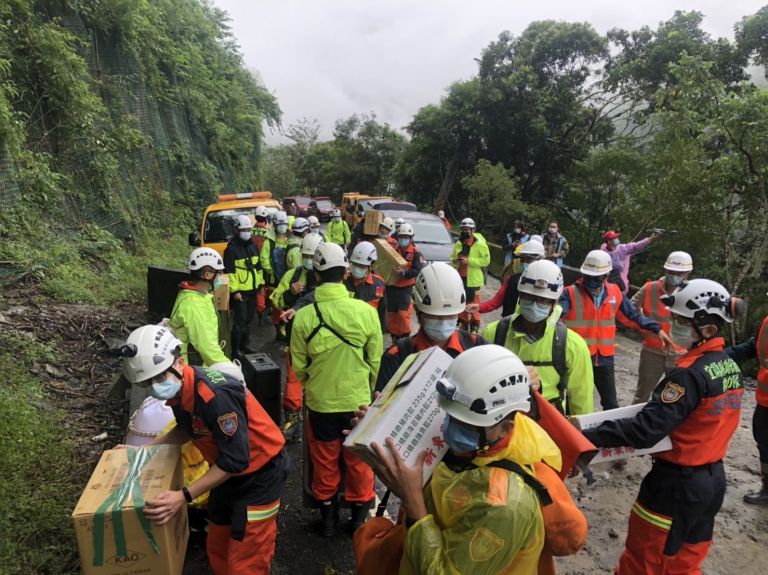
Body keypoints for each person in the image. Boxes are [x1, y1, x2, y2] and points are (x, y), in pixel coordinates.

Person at [366, 344, 581, 574]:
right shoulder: (476, 449)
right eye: (449, 415)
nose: (449, 427)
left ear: (505, 428)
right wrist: (377, 433)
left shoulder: (505, 505)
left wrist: (414, 504)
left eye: (466, 424)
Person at [581, 279, 744, 574]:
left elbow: (645, 430)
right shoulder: (730, 367)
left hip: (674, 487)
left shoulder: (688, 376)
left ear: (708, 329)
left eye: (682, 321)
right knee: (684, 563)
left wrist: (583, 436)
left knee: (642, 563)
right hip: (711, 483)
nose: (673, 326)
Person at [121, 325, 289, 574]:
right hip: (224, 472)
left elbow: (236, 461)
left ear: (178, 363)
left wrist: (183, 496)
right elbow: (186, 429)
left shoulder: (215, 397)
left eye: (159, 378)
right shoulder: (181, 392)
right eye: (148, 382)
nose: (155, 386)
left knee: (247, 558)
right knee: (218, 541)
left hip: (259, 476)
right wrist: (143, 449)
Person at [290, 243, 383, 536]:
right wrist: (368, 392)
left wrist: (314, 384)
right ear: (345, 273)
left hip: (321, 404)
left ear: (316, 275)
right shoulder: (366, 313)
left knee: (325, 461)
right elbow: (376, 360)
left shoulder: (304, 317)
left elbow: (298, 365)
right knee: (358, 462)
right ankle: (358, 522)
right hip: (359, 404)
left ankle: (328, 521)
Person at [559, 250, 671, 410]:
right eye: (588, 276)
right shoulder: (569, 293)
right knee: (575, 401)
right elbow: (557, 316)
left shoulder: (614, 292)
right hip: (579, 357)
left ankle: (608, 432)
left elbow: (633, 315)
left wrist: (657, 329)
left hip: (605, 358)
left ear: (606, 276)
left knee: (611, 404)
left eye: (595, 278)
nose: (590, 281)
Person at [482, 260, 594, 415]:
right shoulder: (493, 333)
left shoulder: (572, 345)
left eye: (542, 300)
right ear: (520, 295)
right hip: (499, 421)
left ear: (554, 302)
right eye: (529, 297)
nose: (534, 304)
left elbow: (582, 403)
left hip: (546, 426)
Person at [376, 262, 486, 390]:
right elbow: (383, 405)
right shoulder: (397, 357)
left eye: (450, 315)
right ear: (418, 312)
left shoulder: (477, 347)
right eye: (435, 315)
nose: (443, 321)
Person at [270, 233, 325, 440]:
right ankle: (292, 420)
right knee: (293, 380)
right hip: (297, 338)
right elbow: (276, 300)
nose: (309, 261)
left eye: (313, 256)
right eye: (306, 256)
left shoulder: (330, 278)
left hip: (324, 340)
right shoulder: (293, 275)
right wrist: (290, 294)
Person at [630, 251, 693, 404]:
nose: (675, 275)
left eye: (680, 273)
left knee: (674, 400)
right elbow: (630, 307)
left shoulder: (693, 293)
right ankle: (634, 424)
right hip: (652, 352)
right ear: (665, 270)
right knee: (641, 396)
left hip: (680, 355)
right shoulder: (650, 288)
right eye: (671, 271)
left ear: (687, 273)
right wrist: (642, 325)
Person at [726, 303, 768, 504]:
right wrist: (720, 355)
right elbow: (753, 346)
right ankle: (767, 488)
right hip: (765, 399)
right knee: (764, 440)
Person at [170, 248, 229, 367]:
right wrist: (230, 369)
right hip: (196, 368)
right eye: (219, 273)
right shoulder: (196, 305)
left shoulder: (193, 294)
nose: (221, 277)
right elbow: (207, 348)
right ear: (207, 275)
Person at [467, 239, 545, 318]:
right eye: (523, 259)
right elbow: (495, 303)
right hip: (510, 324)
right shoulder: (511, 280)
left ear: (540, 260)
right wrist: (479, 307)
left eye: (530, 259)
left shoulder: (548, 285)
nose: (525, 262)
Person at [224, 215, 263, 355]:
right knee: (239, 323)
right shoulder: (231, 249)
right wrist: (235, 292)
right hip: (240, 292)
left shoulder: (252, 245)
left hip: (252, 290)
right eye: (243, 229)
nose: (246, 232)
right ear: (236, 230)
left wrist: (260, 285)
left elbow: (258, 267)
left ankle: (244, 346)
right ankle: (234, 351)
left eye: (248, 229)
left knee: (248, 320)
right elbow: (230, 273)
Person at [451, 217, 490, 334]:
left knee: (474, 303)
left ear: (473, 230)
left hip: (473, 279)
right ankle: (462, 322)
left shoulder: (480, 244)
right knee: (461, 301)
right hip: (460, 277)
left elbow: (486, 261)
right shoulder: (458, 243)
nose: (465, 231)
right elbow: (452, 257)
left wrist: (469, 261)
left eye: (467, 229)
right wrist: (455, 261)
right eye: (463, 229)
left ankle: (474, 325)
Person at [385, 223, 424, 339]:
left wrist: (404, 273)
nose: (403, 239)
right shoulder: (393, 251)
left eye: (406, 237)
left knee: (403, 314)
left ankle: (405, 337)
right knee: (392, 315)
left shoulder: (416, 253)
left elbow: (417, 270)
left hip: (405, 289)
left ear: (411, 238)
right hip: (391, 286)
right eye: (401, 237)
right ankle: (394, 338)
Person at [260, 211, 291, 337]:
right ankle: (279, 329)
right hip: (275, 280)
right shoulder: (269, 241)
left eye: (284, 224)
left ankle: (287, 326)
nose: (282, 226)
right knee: (276, 305)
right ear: (275, 225)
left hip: (288, 277)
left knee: (288, 302)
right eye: (280, 224)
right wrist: (272, 272)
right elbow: (263, 259)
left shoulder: (289, 238)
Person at [602, 229, 659, 294]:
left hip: (621, 286)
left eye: (616, 237)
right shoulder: (603, 252)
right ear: (608, 241)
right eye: (614, 238)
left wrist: (650, 239)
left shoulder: (622, 249)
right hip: (606, 285)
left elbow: (636, 246)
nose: (616, 239)